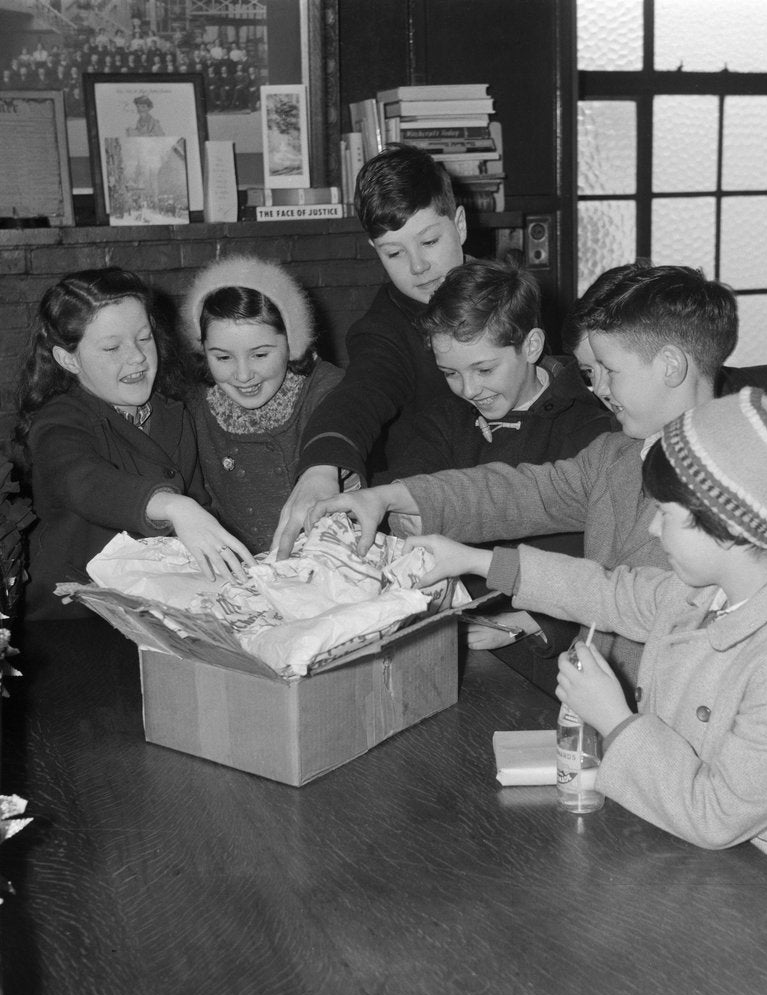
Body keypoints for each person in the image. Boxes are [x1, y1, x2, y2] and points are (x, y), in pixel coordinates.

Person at [402, 388, 767, 924]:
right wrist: (470, 559)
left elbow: (715, 815)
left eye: (667, 514)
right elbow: (611, 591)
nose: (652, 528)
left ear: (729, 527)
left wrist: (615, 720)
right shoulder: (713, 589)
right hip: (688, 860)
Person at [304, 263, 767, 696]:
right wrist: (391, 495)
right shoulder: (615, 453)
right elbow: (517, 489)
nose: (596, 387)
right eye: (590, 371)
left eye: (608, 371)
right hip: (609, 702)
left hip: (698, 714)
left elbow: (635, 597)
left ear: (671, 366)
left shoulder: (747, 464)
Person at [389, 256, 615, 675]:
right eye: (450, 373)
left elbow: (599, 566)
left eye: (484, 369)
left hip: (548, 646)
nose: (469, 390)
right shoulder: (444, 417)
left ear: (531, 346)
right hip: (451, 629)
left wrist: (535, 623)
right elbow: (409, 485)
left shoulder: (589, 429)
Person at [17, 267, 253, 620]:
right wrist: (173, 505)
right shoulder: (59, 420)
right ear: (69, 359)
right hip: (79, 619)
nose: (137, 357)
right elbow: (82, 480)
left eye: (144, 338)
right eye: (112, 347)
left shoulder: (174, 412)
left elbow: (204, 503)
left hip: (164, 608)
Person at [270, 143, 467, 557]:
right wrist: (321, 466)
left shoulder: (513, 295)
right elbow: (359, 394)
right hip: (430, 530)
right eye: (394, 253)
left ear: (460, 225)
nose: (417, 267)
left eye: (429, 241)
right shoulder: (381, 330)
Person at [180, 256, 344, 554]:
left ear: (293, 342)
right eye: (223, 357)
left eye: (259, 355)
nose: (243, 375)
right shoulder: (193, 405)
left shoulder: (329, 389)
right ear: (203, 352)